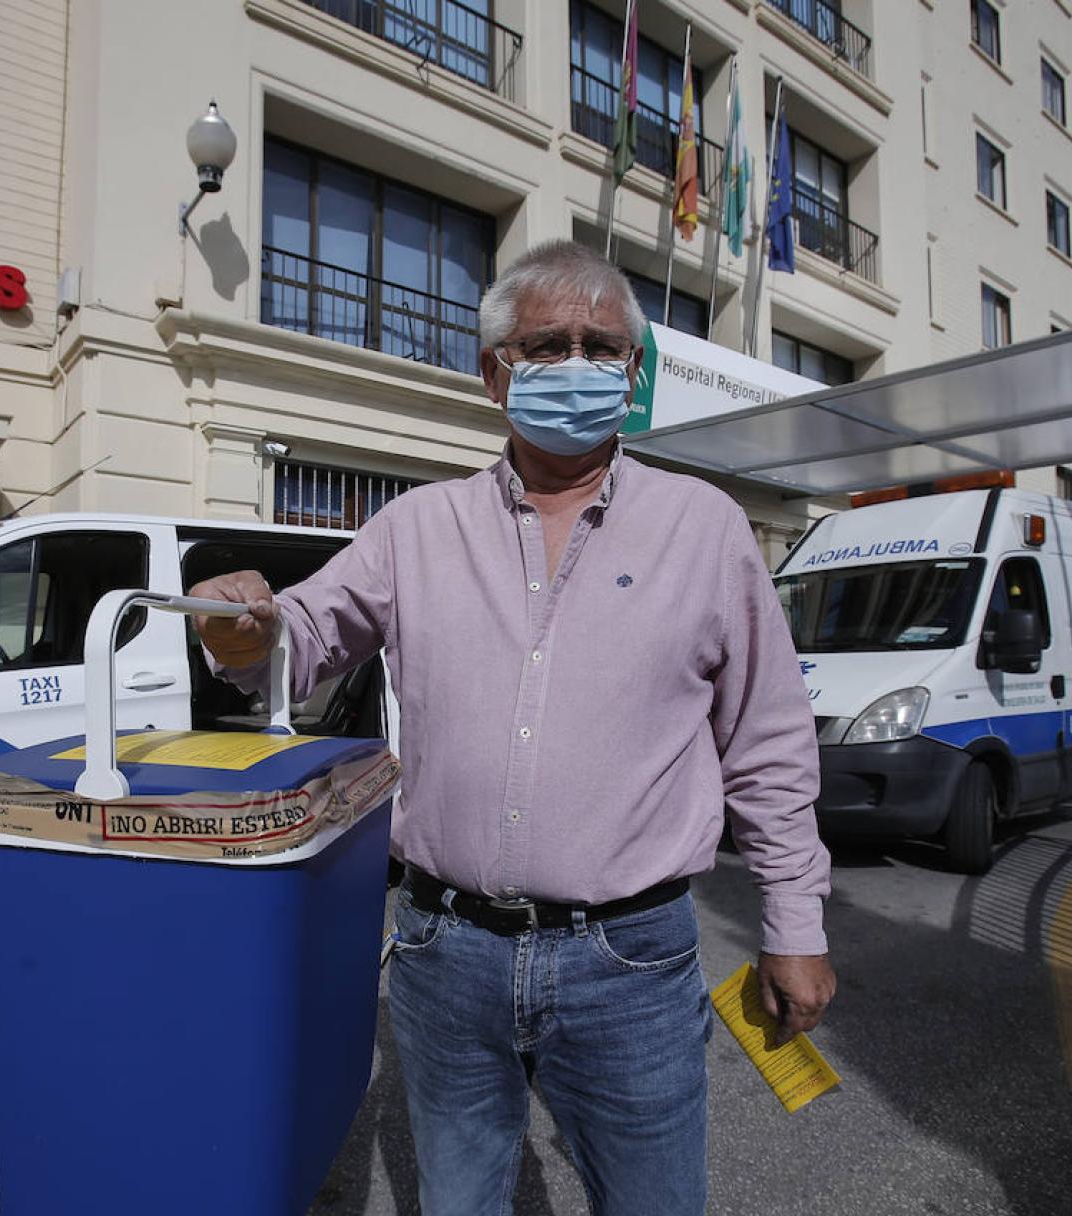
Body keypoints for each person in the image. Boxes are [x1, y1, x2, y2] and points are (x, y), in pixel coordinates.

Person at [191, 239, 833, 1215]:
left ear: (633, 371)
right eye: (546, 346)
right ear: (496, 373)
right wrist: (239, 625)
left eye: (601, 346)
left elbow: (770, 745)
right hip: (447, 955)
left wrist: (795, 924)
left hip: (633, 958)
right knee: (458, 1201)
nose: (576, 366)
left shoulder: (705, 529)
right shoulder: (417, 528)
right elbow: (301, 636)